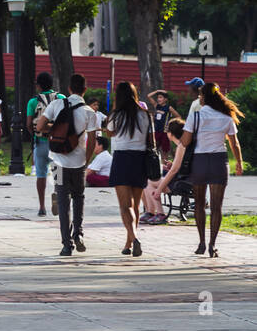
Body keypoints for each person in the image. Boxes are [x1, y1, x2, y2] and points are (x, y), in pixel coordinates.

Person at [157, 82, 244, 258]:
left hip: (200, 162)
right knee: (217, 207)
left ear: (203, 97)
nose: (199, 98)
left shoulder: (195, 117)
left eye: (200, 96)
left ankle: (202, 243)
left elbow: (186, 140)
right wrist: (240, 163)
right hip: (220, 162)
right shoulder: (226, 117)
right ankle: (213, 244)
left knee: (198, 204)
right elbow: (234, 143)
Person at [35, 73, 101, 256]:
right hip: (79, 162)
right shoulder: (89, 112)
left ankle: (66, 244)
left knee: (63, 200)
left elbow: (39, 126)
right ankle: (78, 233)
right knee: (79, 197)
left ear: (69, 89)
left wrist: (54, 129)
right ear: (85, 90)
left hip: (58, 162)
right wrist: (86, 162)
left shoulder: (56, 104)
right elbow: (93, 141)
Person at [103, 82, 153, 257]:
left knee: (125, 206)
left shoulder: (116, 115)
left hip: (122, 159)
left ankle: (134, 238)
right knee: (136, 205)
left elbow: (109, 133)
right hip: (139, 160)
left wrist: (114, 110)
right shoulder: (145, 115)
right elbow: (150, 139)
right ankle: (128, 243)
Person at [26, 72, 61, 216]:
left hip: (40, 143)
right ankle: (58, 198)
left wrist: (34, 133)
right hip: (57, 143)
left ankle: (41, 206)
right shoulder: (61, 98)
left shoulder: (33, 102)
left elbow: (29, 123)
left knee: (41, 174)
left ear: (38, 86)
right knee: (59, 175)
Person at [148, 90, 181, 160]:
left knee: (165, 150)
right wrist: (157, 91)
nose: (158, 99)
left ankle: (165, 164)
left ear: (165, 99)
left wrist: (170, 124)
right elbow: (149, 96)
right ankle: (156, 162)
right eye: (158, 97)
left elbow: (178, 117)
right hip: (156, 130)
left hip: (164, 132)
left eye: (160, 97)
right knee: (154, 147)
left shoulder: (168, 107)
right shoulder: (156, 106)